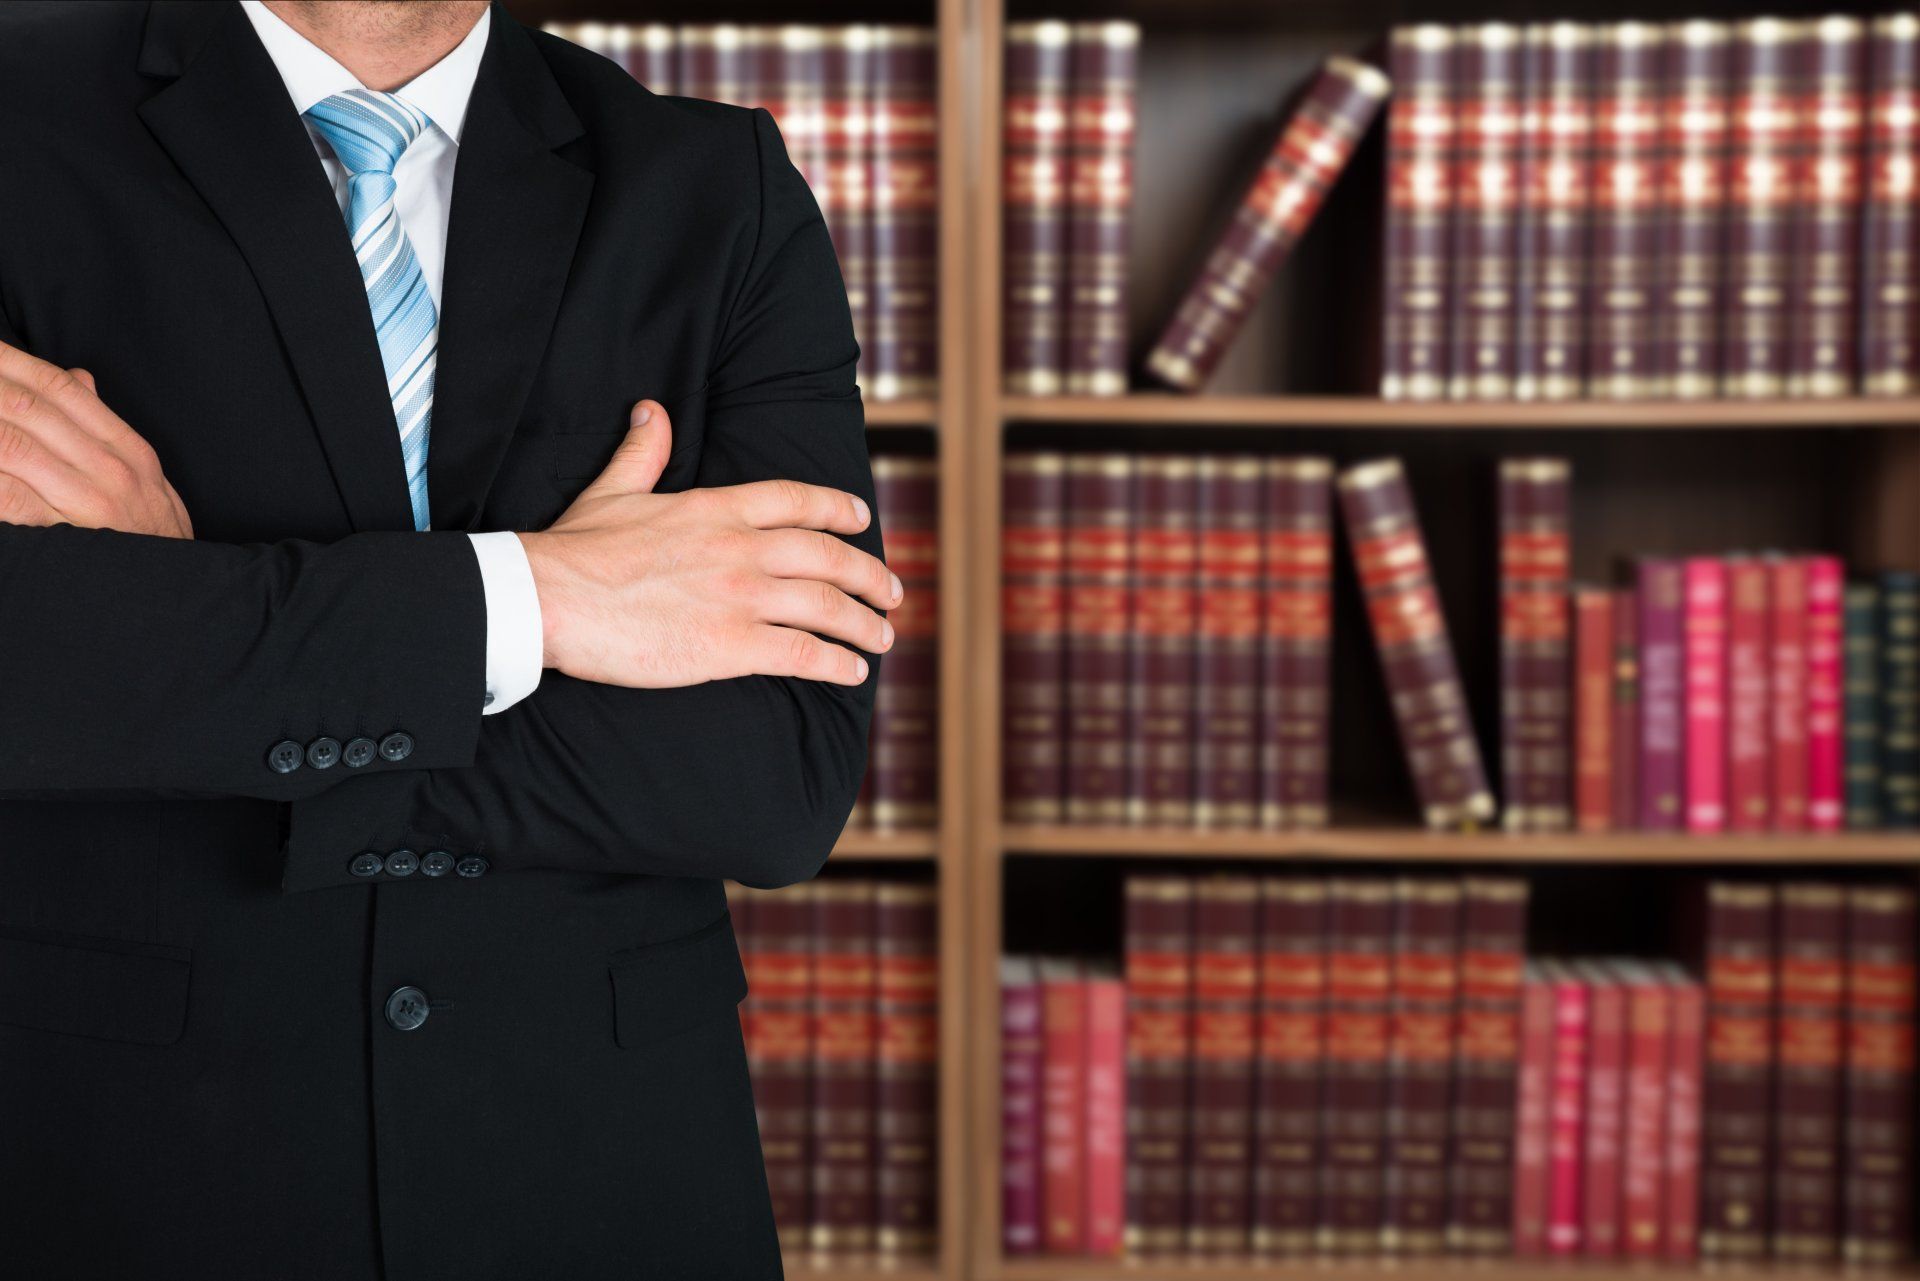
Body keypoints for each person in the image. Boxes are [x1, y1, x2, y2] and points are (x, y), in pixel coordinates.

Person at [0, 2, 895, 1276]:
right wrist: (543, 600)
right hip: (120, 1177)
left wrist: (193, 629)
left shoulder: (715, 190)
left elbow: (772, 780)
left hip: (603, 1185)